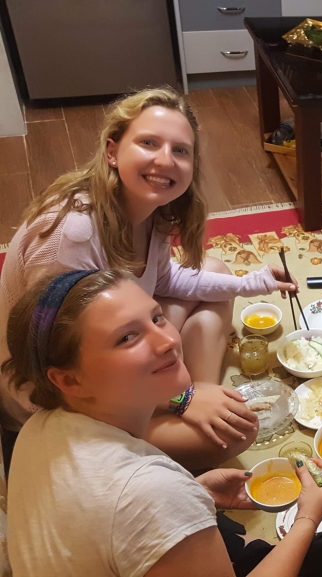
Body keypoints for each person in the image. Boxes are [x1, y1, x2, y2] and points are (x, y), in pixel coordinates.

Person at [4, 269, 322, 576]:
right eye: (127, 338)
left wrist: (195, 492)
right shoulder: (150, 490)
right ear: (69, 379)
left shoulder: (35, 430)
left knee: (225, 534)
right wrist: (308, 516)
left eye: (157, 317)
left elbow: (107, 528)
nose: (168, 341)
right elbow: (139, 505)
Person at [0, 87, 297, 468]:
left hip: (113, 348)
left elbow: (164, 280)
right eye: (148, 143)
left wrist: (251, 283)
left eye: (180, 151)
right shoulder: (72, 236)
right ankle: (183, 407)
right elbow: (66, 368)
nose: (164, 160)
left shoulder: (152, 212)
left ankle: (195, 391)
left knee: (217, 274)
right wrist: (180, 401)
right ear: (112, 150)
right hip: (64, 396)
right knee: (236, 434)